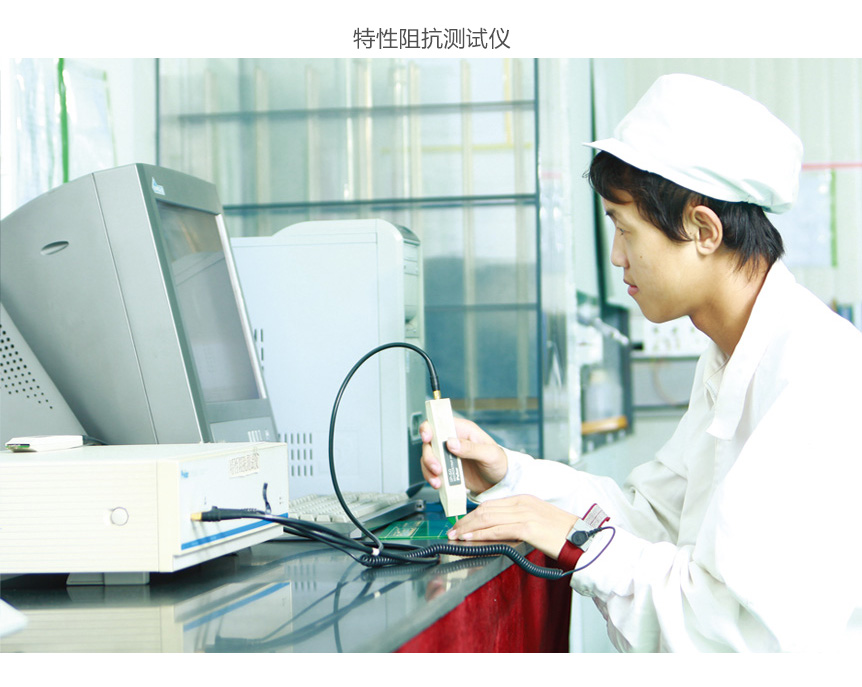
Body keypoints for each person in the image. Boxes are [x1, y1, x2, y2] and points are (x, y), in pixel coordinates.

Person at [419, 73, 862, 652]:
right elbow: (651, 521)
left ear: (703, 229)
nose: (616, 256)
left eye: (624, 228)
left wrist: (576, 540)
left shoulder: (816, 376)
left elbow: (741, 639)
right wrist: (509, 475)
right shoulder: (731, 358)